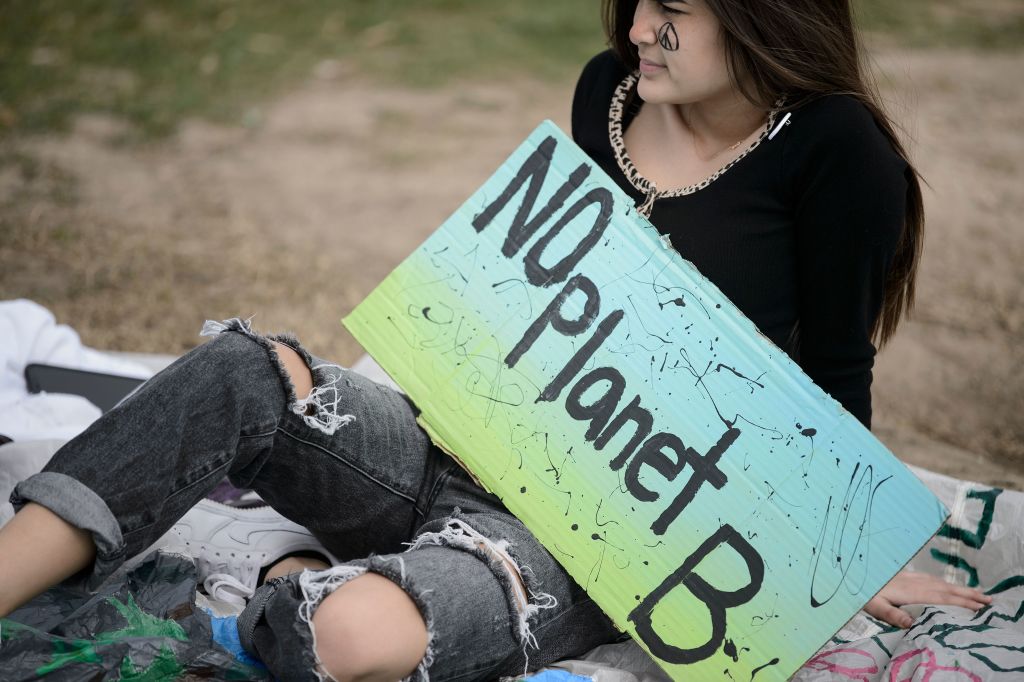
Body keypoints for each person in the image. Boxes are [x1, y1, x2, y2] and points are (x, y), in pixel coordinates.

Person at [0, 1, 993, 680]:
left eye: (675, 10)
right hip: (464, 450)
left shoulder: (838, 152)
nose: (642, 26)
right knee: (244, 370)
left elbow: (833, 374)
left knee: (346, 629)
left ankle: (287, 587)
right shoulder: (612, 87)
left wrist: (848, 549)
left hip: (613, 542)